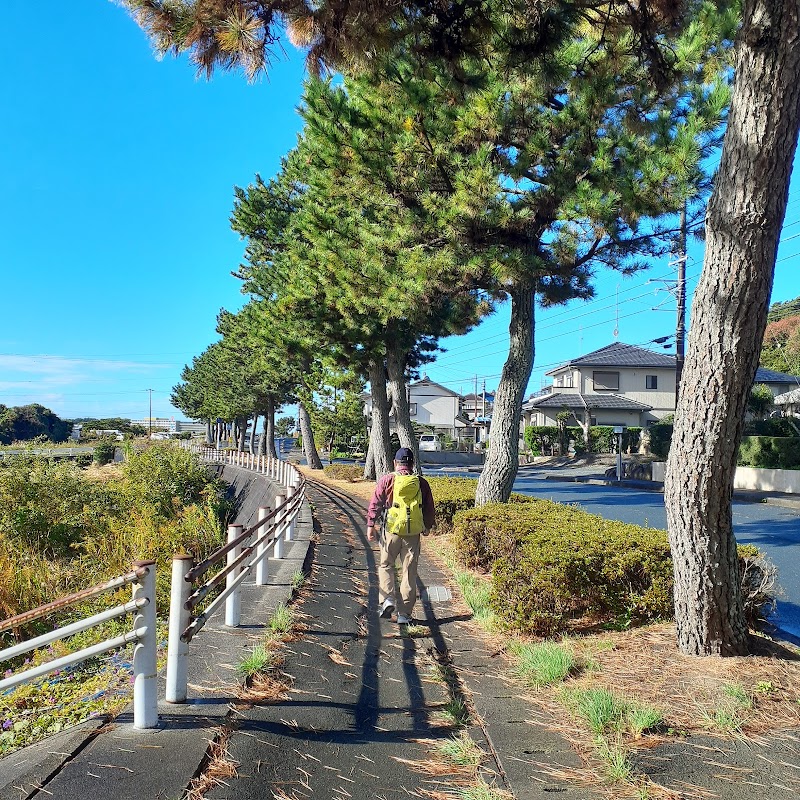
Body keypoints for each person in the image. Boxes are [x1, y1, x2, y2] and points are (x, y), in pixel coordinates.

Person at [367, 447, 435, 624]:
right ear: (412, 464)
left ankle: (387, 599)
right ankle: (404, 614)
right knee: (409, 572)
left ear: (395, 463)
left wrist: (371, 524)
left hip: (392, 530)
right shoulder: (421, 482)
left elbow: (376, 503)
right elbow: (429, 507)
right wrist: (427, 526)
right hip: (412, 533)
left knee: (386, 565)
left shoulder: (388, 480)